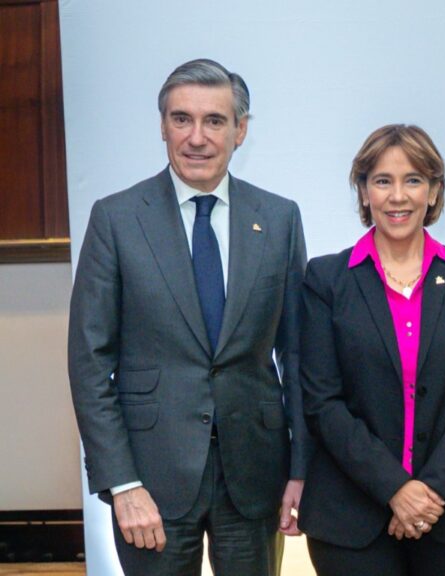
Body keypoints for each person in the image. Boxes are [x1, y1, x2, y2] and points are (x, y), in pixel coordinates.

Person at [68, 58, 308, 575]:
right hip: (150, 481)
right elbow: (90, 364)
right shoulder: (116, 219)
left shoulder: (280, 218)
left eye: (214, 121)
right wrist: (122, 483)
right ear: (162, 125)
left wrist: (302, 469)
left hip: (255, 476)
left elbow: (298, 353)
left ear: (240, 130)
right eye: (181, 119)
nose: (196, 137)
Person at [298, 124, 445, 576]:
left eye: (413, 180)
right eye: (382, 180)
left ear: (433, 192)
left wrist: (429, 491)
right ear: (364, 191)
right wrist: (396, 489)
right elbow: (322, 402)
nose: (398, 196)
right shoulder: (326, 280)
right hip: (350, 522)